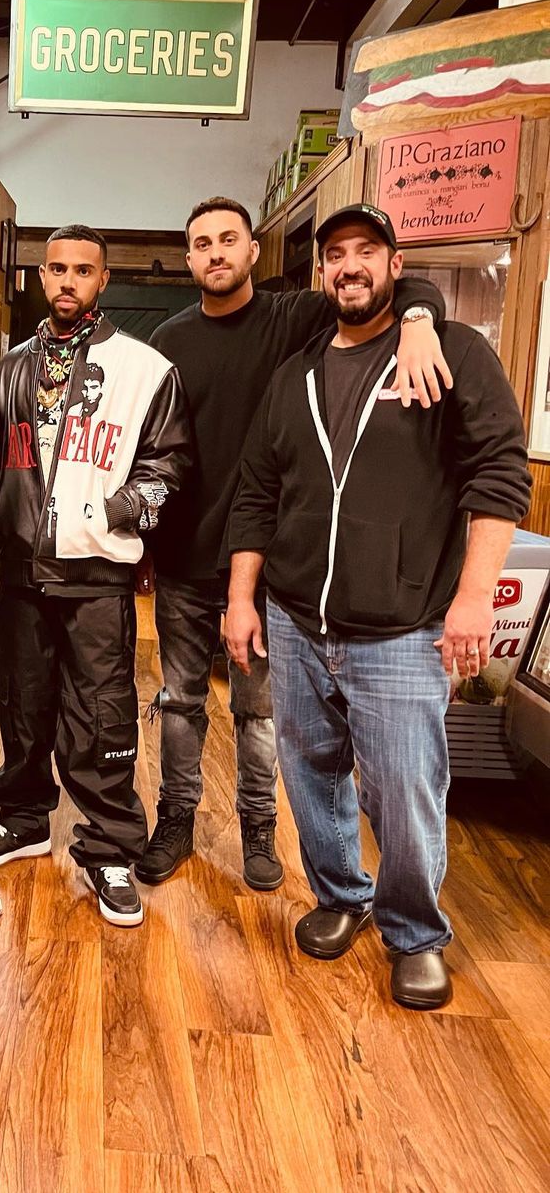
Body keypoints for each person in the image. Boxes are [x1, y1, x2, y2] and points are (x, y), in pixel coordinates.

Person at [225, 202, 531, 1010]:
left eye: (367, 250)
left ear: (396, 266)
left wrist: (474, 599)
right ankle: (341, 894)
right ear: (321, 272)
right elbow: (258, 490)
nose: (350, 265)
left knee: (402, 790)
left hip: (402, 628)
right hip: (294, 620)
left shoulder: (451, 351)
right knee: (309, 772)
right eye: (336, 254)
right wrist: (243, 597)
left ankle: (415, 932)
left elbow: (501, 474)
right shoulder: (294, 373)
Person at [138, 196, 449, 891]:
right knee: (180, 700)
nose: (216, 253)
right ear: (188, 259)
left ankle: (257, 826)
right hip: (185, 559)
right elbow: (150, 448)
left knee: (258, 712)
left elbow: (395, 288)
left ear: (254, 251)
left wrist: (420, 322)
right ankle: (176, 820)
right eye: (202, 244)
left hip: (268, 569)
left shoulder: (296, 317)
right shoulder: (167, 341)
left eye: (229, 240)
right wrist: (146, 547)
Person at [0, 224, 190, 927]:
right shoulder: (7, 369)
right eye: (57, 268)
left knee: (101, 714)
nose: (68, 281)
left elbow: (168, 466)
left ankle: (110, 848)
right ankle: (23, 818)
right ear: (41, 277)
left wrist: (114, 513)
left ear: (103, 279)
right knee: (22, 706)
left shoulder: (145, 369)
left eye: (83, 270)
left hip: (97, 574)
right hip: (21, 572)